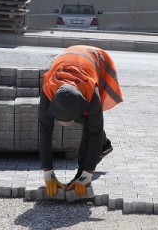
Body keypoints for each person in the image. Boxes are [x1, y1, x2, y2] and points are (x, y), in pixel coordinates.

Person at [39, 45, 123, 197]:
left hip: (96, 59)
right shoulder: (47, 91)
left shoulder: (91, 94)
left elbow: (95, 132)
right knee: (89, 123)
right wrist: (48, 173)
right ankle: (103, 147)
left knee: (91, 125)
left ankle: (87, 163)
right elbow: (44, 131)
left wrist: (86, 175)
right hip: (71, 56)